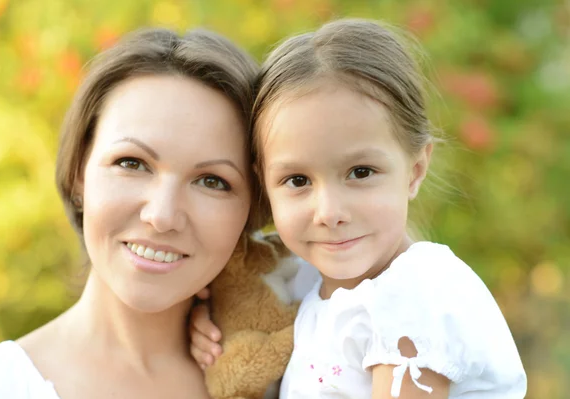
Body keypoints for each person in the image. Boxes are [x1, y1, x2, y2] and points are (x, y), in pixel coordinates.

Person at [190, 19, 527, 398]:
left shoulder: (415, 294)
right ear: (265, 185)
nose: (329, 211)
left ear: (414, 171)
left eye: (361, 172)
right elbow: (246, 300)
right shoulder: (306, 281)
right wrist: (209, 322)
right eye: (298, 180)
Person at [0, 26, 271, 398]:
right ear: (80, 170)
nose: (162, 215)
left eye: (212, 181)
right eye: (132, 163)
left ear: (253, 206)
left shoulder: (304, 367)